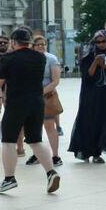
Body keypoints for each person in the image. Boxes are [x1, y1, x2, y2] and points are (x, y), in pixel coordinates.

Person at [0, 26, 61, 194]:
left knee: (8, 141)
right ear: (28, 42)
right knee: (35, 140)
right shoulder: (40, 58)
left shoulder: (8, 59)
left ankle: (9, 179)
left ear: (13, 42)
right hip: (37, 102)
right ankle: (51, 172)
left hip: (16, 103)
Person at [68, 30, 106, 163]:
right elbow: (87, 77)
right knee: (94, 123)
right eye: (98, 42)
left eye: (104, 41)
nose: (101, 44)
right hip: (94, 97)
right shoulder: (88, 57)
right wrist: (95, 63)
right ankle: (95, 153)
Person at [30, 34, 64, 167]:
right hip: (31, 96)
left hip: (47, 96)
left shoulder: (51, 59)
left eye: (43, 44)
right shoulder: (29, 59)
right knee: (33, 127)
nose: (41, 46)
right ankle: (37, 154)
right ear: (33, 46)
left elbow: (55, 81)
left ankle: (55, 156)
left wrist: (41, 92)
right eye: (38, 44)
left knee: (49, 125)